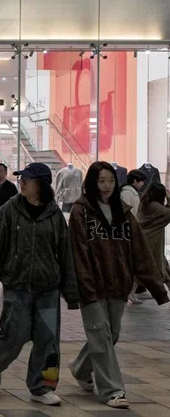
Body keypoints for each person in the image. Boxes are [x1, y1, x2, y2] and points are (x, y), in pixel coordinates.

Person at [0, 162, 79, 407]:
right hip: (17, 286)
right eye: (21, 178)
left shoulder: (54, 214)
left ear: (42, 183)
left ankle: (42, 387)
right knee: (14, 335)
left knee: (48, 340)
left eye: (28, 178)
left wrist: (71, 292)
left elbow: (65, 254)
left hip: (48, 287)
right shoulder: (10, 209)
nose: (22, 182)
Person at [69, 162, 169, 409]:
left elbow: (140, 251)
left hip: (117, 285)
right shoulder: (81, 212)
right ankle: (112, 390)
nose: (106, 186)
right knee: (100, 335)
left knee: (110, 335)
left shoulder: (123, 212)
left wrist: (156, 286)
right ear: (93, 183)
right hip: (91, 286)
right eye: (101, 181)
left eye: (111, 181)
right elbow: (78, 252)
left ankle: (81, 368)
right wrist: (83, 286)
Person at [122, 169, 149, 303]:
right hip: (129, 233)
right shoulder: (128, 193)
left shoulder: (131, 193)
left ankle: (131, 293)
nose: (142, 183)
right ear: (134, 181)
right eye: (141, 181)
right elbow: (129, 214)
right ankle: (129, 292)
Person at [137, 183, 170, 289]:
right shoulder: (155, 206)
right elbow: (167, 214)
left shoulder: (145, 203)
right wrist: (169, 200)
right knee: (161, 269)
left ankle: (132, 294)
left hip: (145, 240)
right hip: (153, 242)